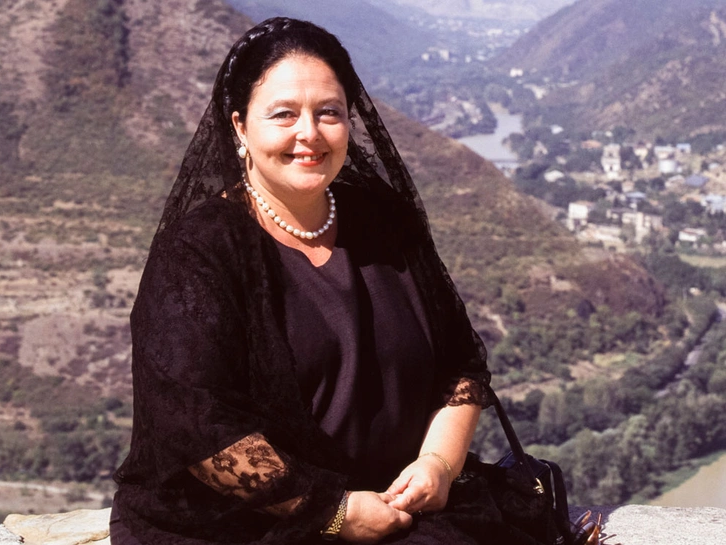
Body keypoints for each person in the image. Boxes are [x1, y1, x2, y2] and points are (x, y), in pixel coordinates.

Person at [109, 17, 517, 545]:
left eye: (329, 112)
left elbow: (460, 367)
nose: (310, 133)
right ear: (240, 127)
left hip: (397, 508)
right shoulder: (198, 251)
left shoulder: (385, 220)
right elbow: (195, 423)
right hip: (248, 525)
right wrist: (333, 511)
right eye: (284, 114)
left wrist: (437, 465)